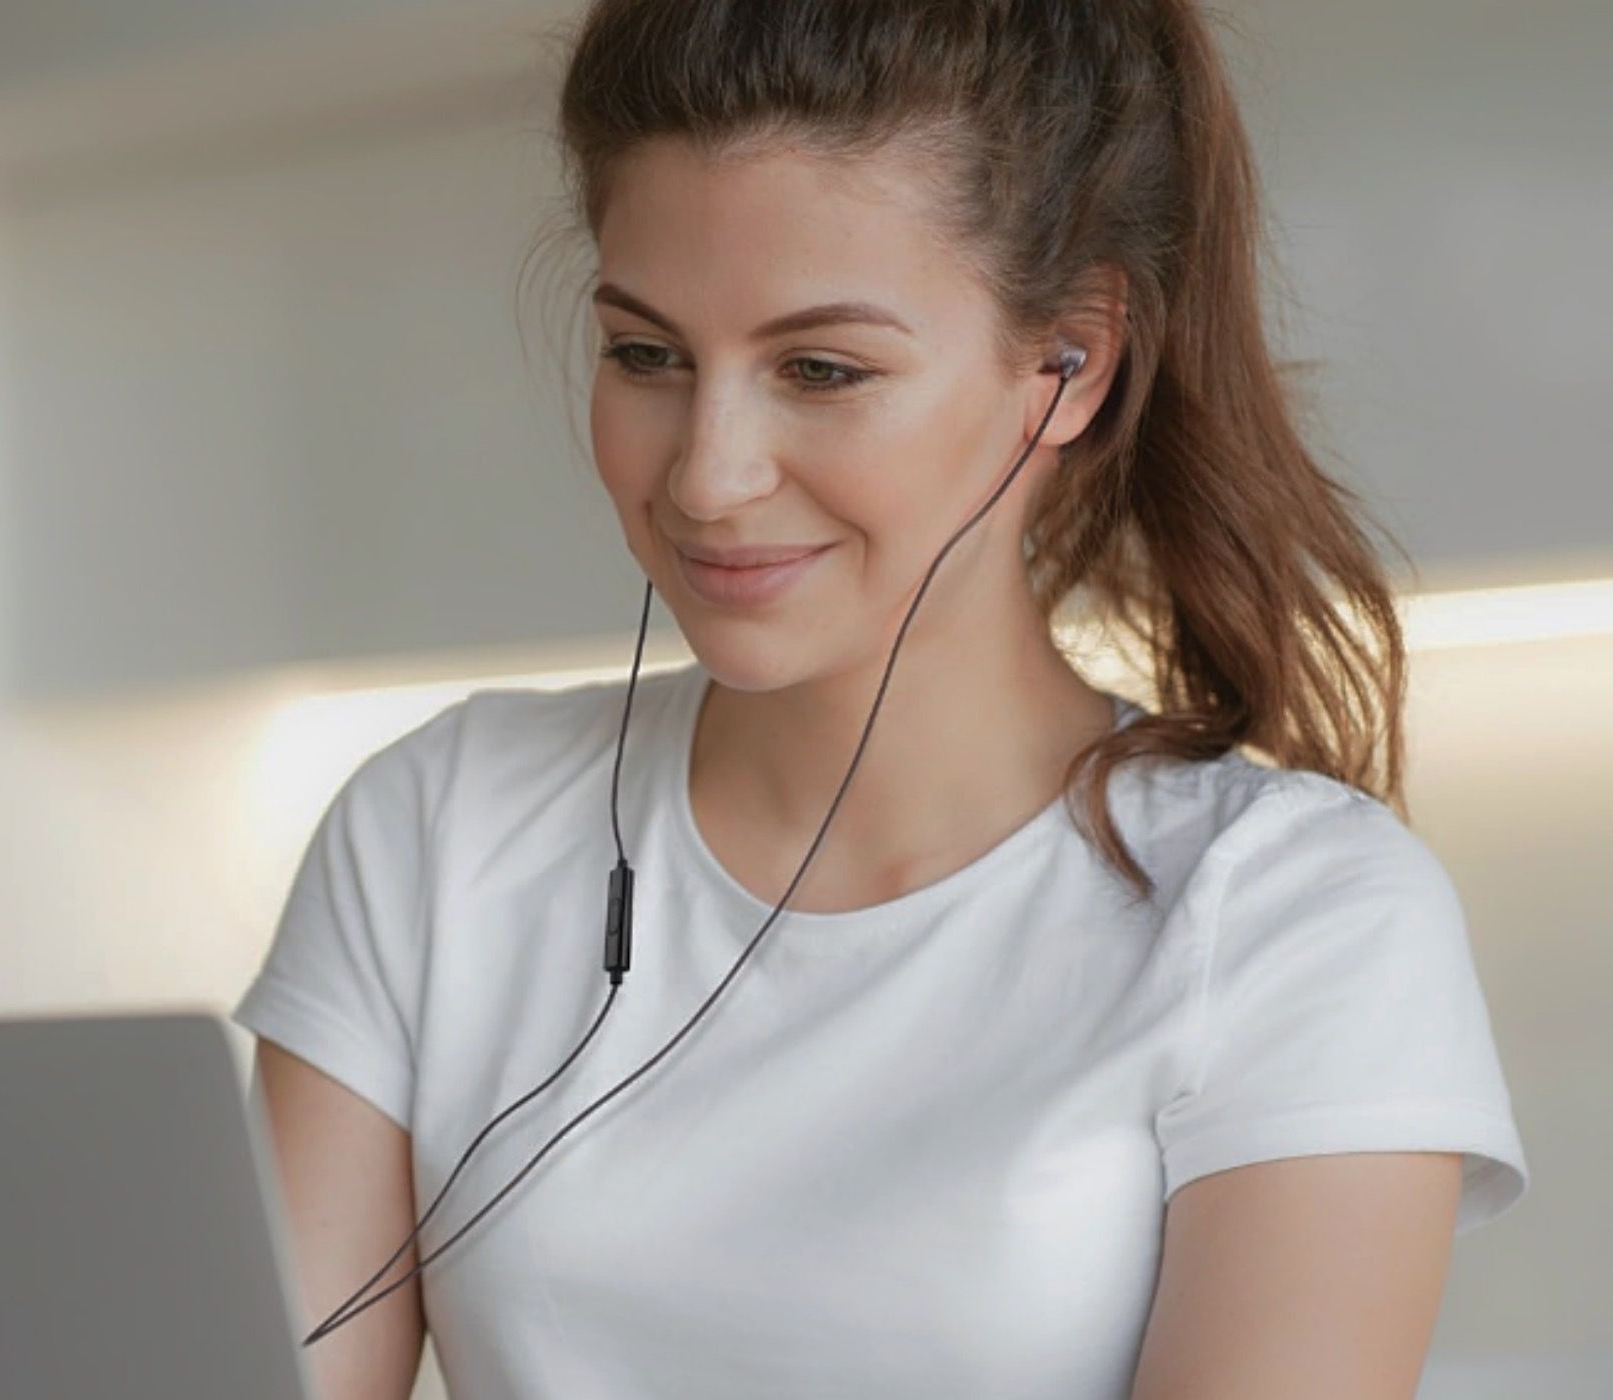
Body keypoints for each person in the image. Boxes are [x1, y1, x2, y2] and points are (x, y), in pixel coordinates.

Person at [232, 2, 1530, 1396]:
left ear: (1068, 365)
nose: (706, 476)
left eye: (822, 370)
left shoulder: (1296, 918)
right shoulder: (440, 830)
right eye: (648, 356)